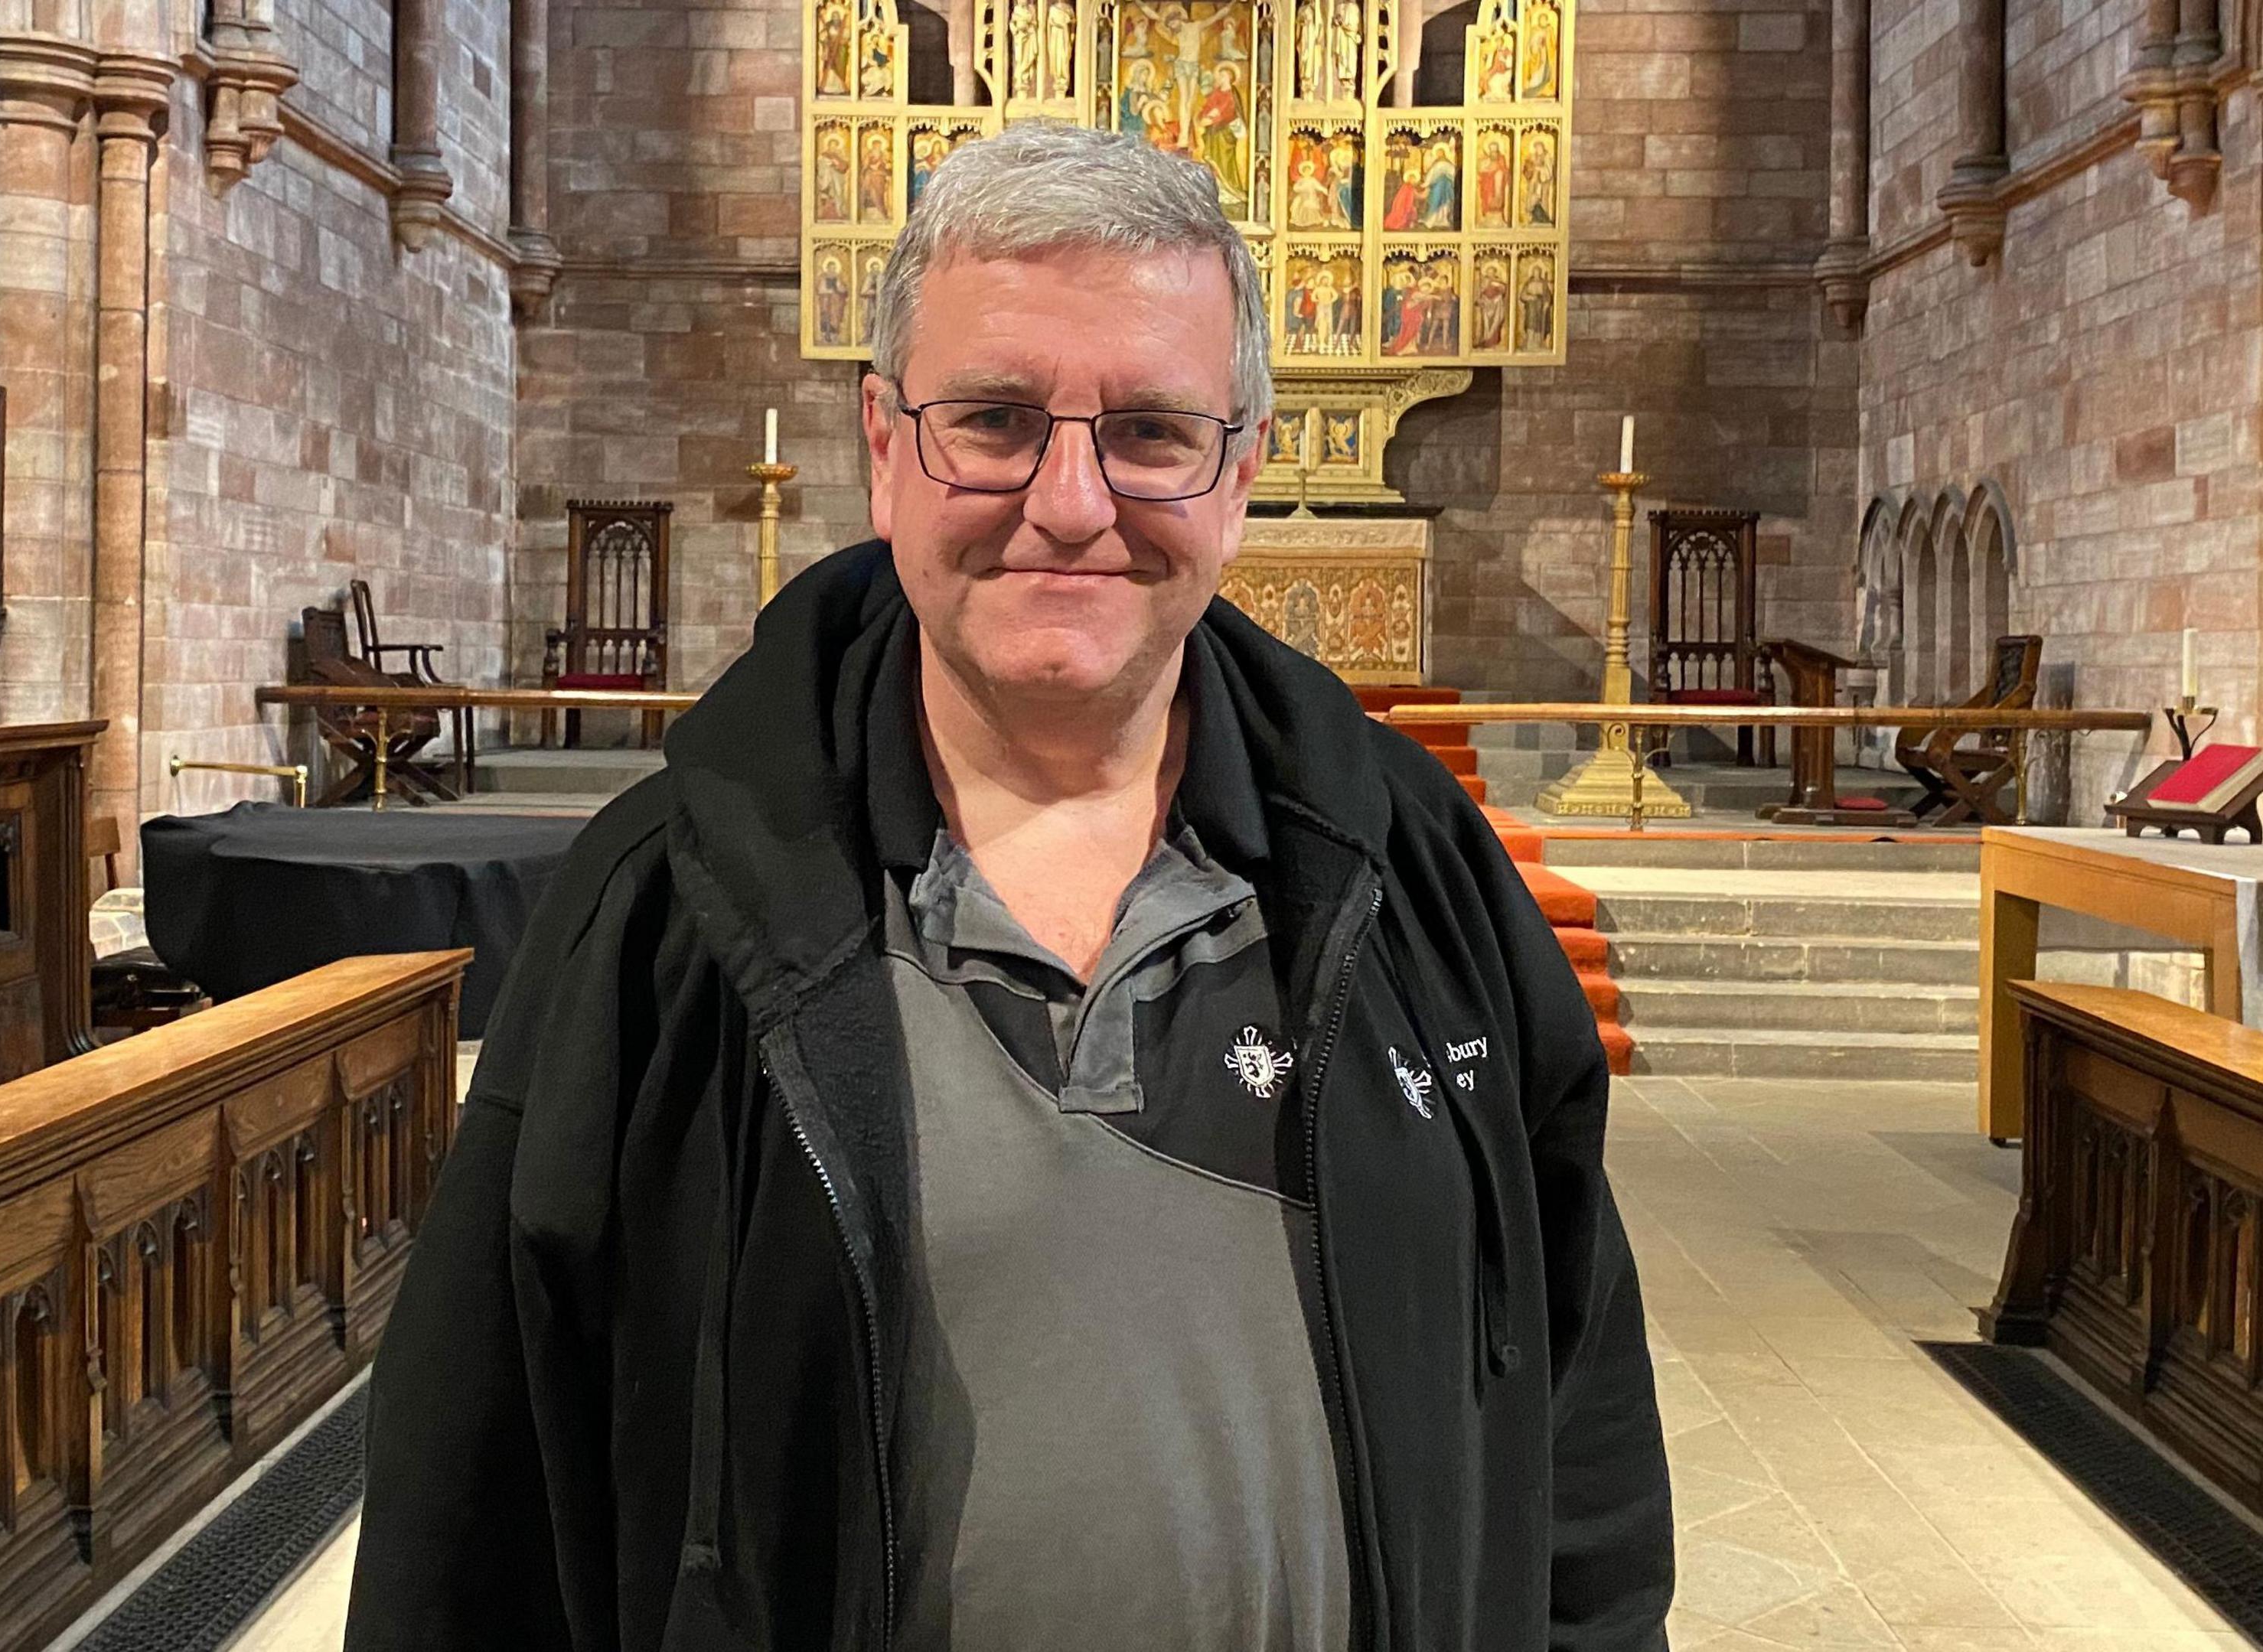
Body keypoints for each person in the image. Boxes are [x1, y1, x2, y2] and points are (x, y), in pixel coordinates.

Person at [344, 119, 1673, 1652]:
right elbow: (477, 1485)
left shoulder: (1414, 866)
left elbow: (1572, 1397)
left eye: (1154, 432)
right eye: (993, 419)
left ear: (1240, 470)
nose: (1071, 503)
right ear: (885, 445)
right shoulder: (661, 907)